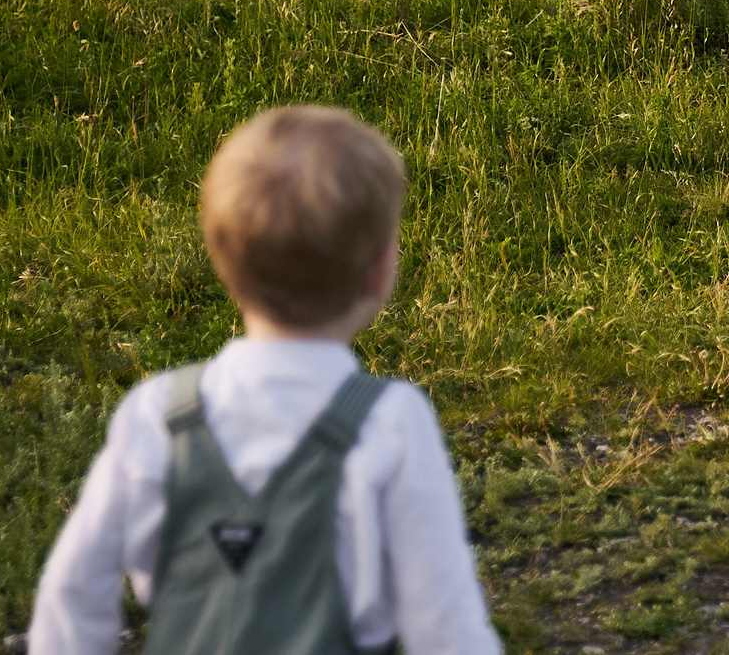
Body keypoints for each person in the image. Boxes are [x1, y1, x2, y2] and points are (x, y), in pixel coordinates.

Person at [28, 106, 500, 654]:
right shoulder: (392, 425)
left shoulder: (157, 416)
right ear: (378, 273)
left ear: (221, 261)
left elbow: (71, 597)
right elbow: (445, 630)